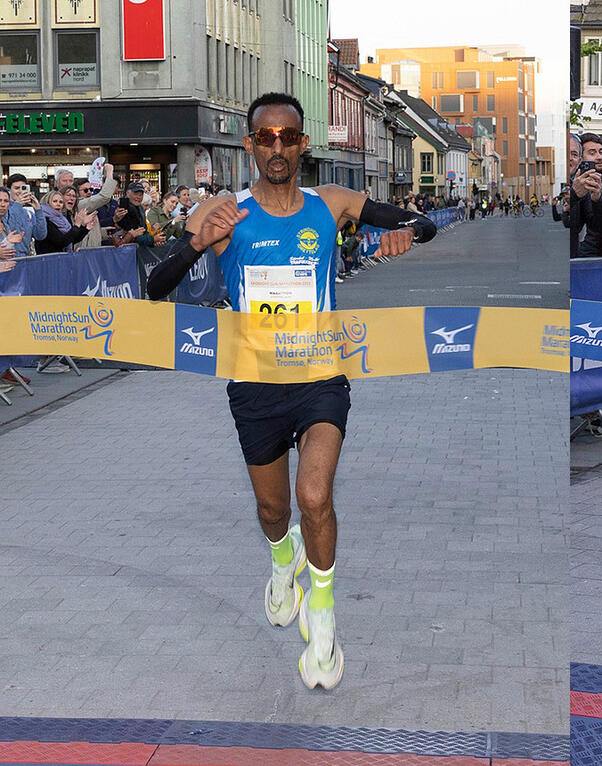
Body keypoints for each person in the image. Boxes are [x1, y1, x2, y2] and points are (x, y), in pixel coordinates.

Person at [145, 92, 436, 690]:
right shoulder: (225, 211)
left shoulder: (330, 204)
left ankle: (324, 624)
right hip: (254, 385)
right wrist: (200, 242)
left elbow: (419, 221)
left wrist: (406, 234)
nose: (277, 146)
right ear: (250, 145)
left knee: (314, 496)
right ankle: (284, 558)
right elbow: (156, 284)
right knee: (275, 510)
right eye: (265, 137)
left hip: (320, 379)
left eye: (288, 136)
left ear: (304, 144)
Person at [34, 190, 96, 254]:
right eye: (55, 201)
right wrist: (77, 225)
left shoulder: (63, 219)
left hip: (62, 258)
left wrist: (85, 228)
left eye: (61, 202)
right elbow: (61, 241)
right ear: (47, 203)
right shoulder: (44, 220)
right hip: (48, 260)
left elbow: (72, 239)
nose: (58, 204)